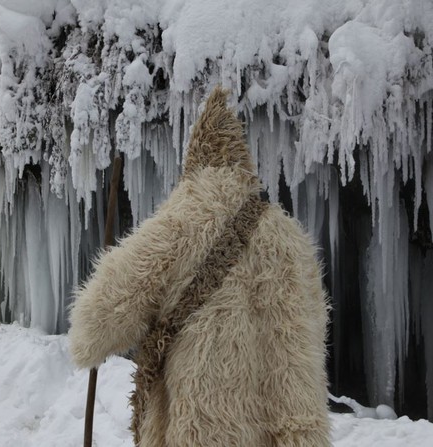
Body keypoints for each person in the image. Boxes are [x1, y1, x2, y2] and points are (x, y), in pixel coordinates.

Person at [68, 87, 330, 446]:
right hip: (286, 428)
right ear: (242, 165)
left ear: (196, 157)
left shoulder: (182, 219)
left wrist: (88, 336)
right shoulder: (290, 237)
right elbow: (314, 330)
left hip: (207, 425)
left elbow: (98, 323)